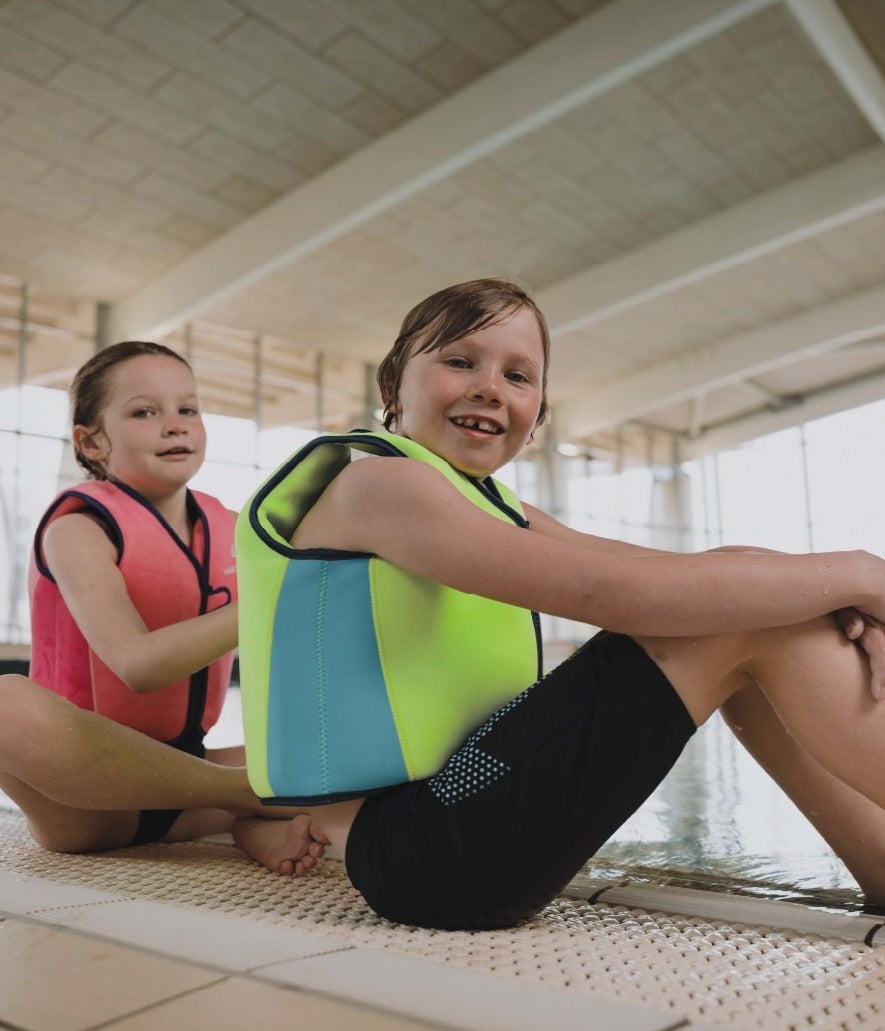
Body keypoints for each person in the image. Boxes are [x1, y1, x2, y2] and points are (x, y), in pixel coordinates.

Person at [232, 277, 885, 930]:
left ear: (537, 413)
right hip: (419, 846)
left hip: (446, 826)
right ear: (392, 386)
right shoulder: (377, 484)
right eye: (459, 361)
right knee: (735, 611)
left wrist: (825, 588)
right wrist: (860, 573)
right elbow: (615, 594)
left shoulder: (495, 508)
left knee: (739, 586)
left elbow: (673, 572)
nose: (490, 386)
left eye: (518, 376)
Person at [0, 341, 324, 875]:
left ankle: (239, 817)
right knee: (7, 704)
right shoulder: (78, 527)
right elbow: (138, 666)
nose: (174, 425)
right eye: (144, 412)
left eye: (187, 409)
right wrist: (267, 602)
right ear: (92, 441)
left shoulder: (232, 527)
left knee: (347, 753)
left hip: (187, 762)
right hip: (88, 801)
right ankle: (245, 798)